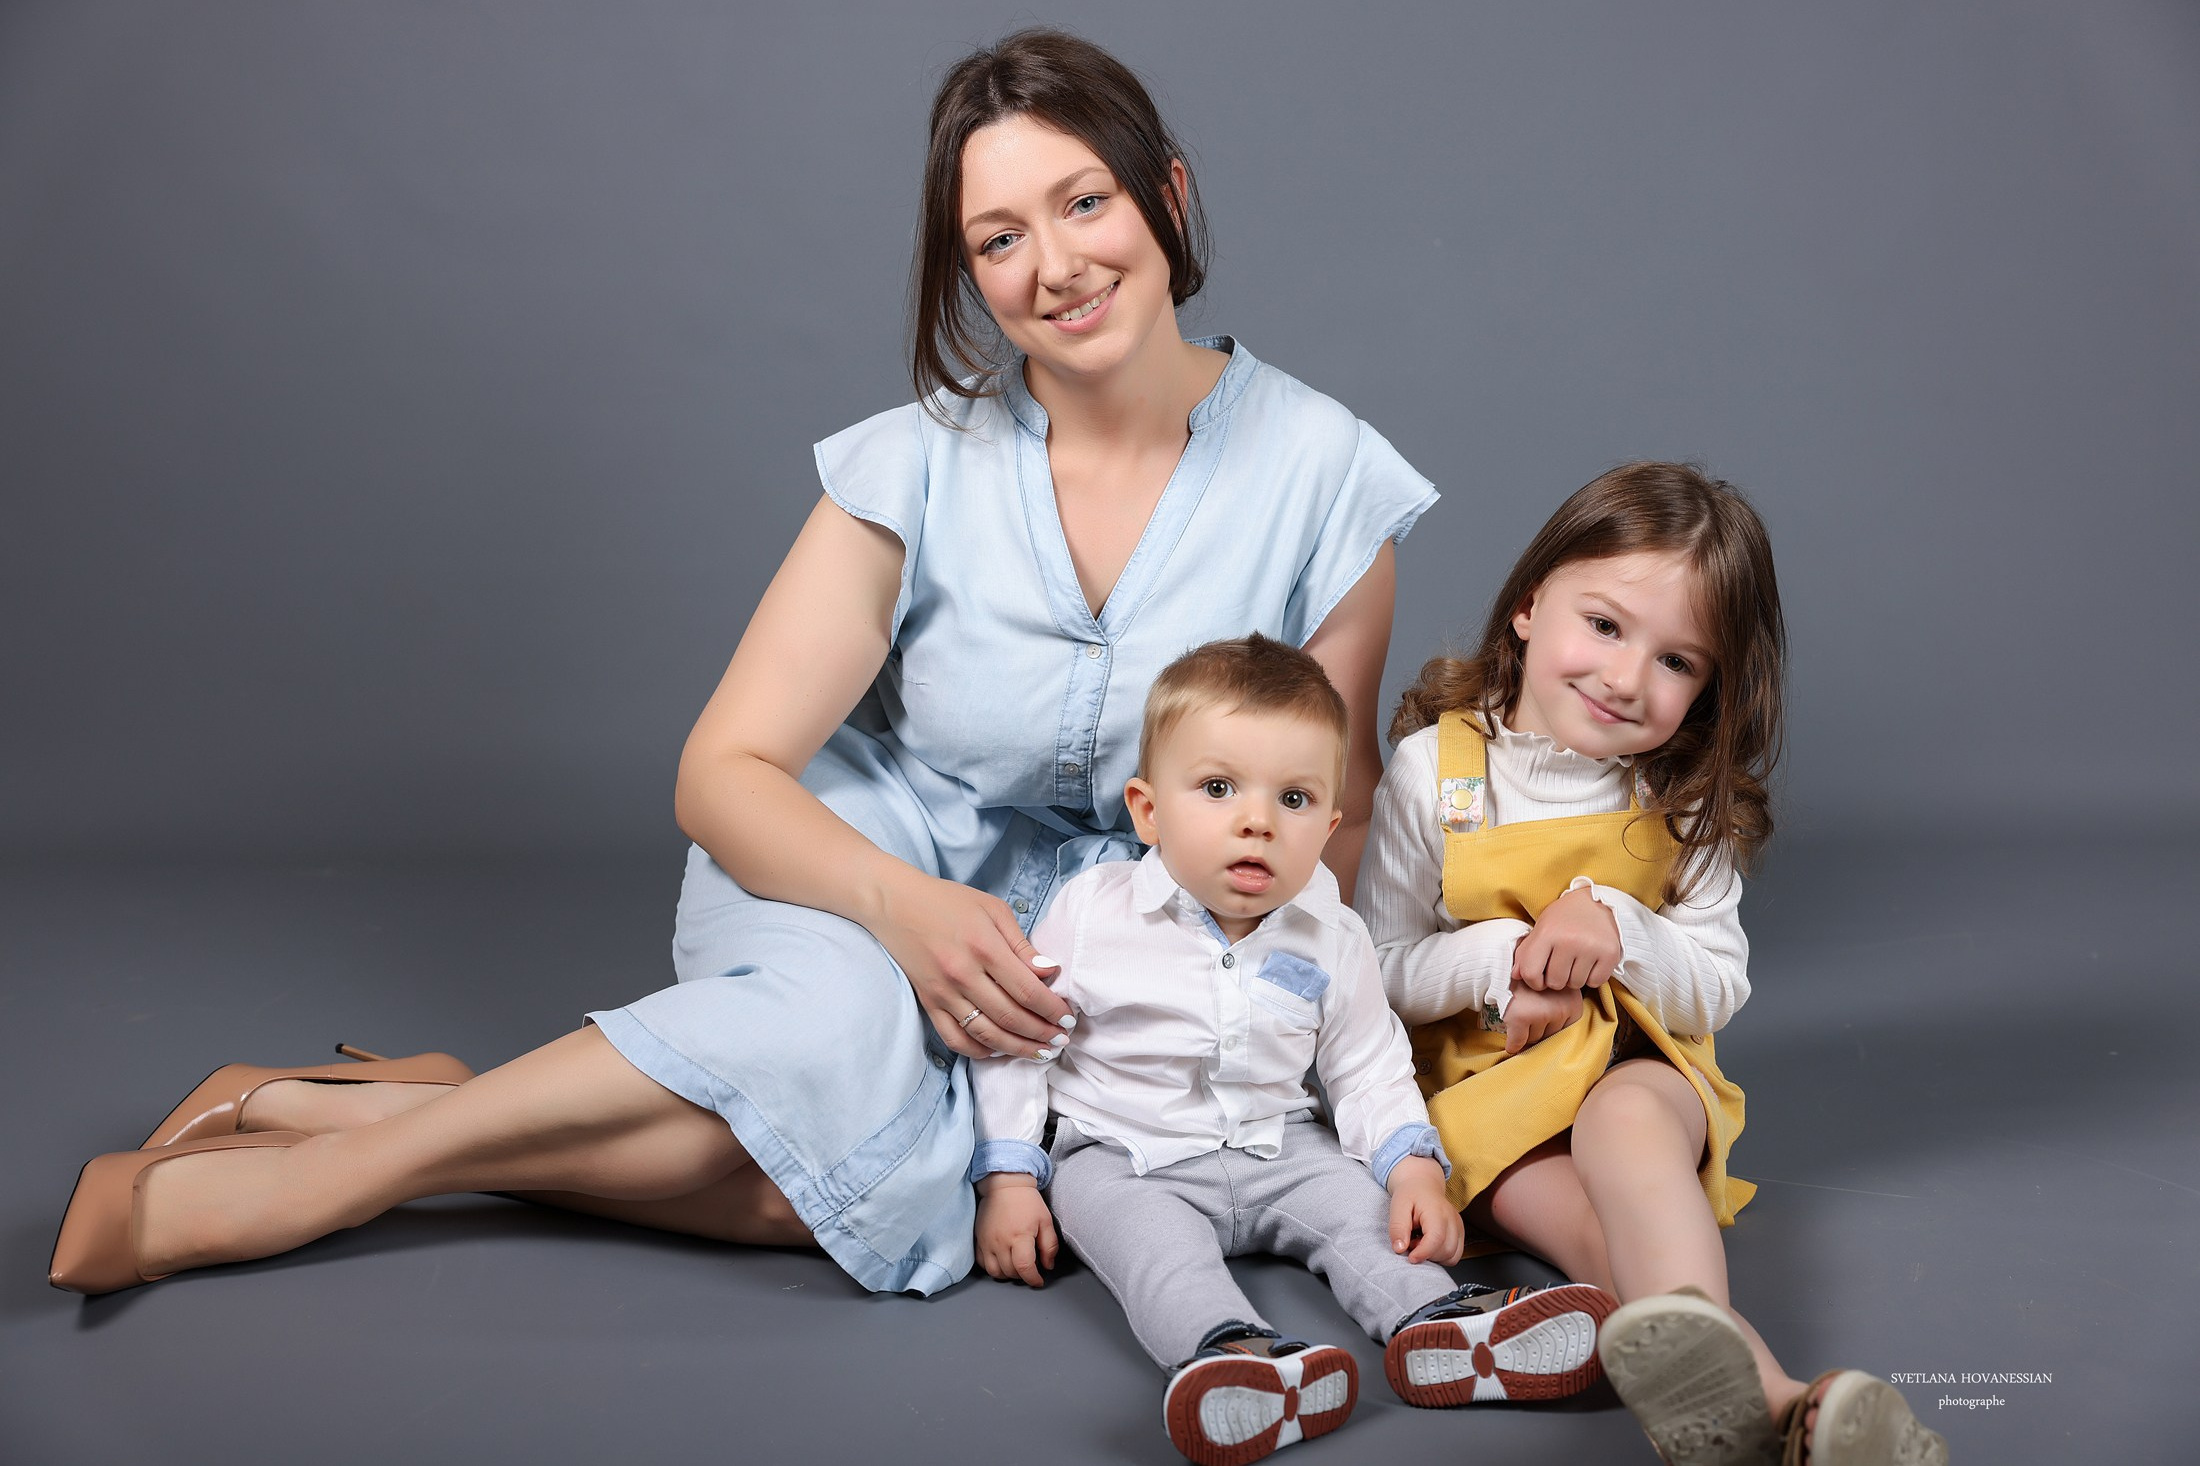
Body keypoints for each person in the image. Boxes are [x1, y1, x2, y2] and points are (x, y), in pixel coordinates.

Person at [48, 30, 1438, 1302]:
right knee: (824, 1043)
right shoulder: (910, 463)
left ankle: (382, 1109)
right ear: (968, 272)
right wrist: (901, 908)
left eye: (1086, 203)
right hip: (850, 864)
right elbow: (720, 773)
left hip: (1107, 958)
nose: (1055, 266)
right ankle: (322, 1177)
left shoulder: (1322, 473)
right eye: (998, 237)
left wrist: (1318, 1050)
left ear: (1169, 199)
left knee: (854, 1197)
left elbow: (1340, 803)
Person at [1354, 464, 1947, 1465]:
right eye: (1605, 625)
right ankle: (1779, 1404)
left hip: (1635, 1064)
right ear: (1529, 605)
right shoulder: (1439, 770)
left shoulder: (1679, 796)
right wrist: (1503, 957)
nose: (1627, 678)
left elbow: (1717, 982)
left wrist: (1621, 930)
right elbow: (1375, 967)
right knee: (1572, 1213)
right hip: (1484, 1087)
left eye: (1677, 660)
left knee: (1627, 1127)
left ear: (1711, 684)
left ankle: (1742, 1399)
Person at [969, 635, 1615, 1465]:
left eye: (1296, 800)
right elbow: (1022, 1044)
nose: (1257, 821)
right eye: (1217, 788)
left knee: (1363, 1219)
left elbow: (1366, 1061)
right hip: (1126, 1153)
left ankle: (1447, 1327)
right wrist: (1012, 1179)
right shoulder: (1094, 913)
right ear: (1148, 809)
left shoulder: (1331, 930)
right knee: (1159, 1256)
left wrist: (1411, 1169)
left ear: (1331, 824)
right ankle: (1235, 1359)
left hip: (1282, 1144)